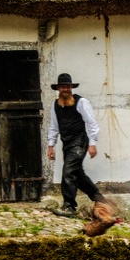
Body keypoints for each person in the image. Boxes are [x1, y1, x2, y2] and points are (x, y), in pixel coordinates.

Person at [46, 73, 107, 217]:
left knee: (68, 171)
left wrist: (92, 143)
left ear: (71, 88)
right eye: (62, 87)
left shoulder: (81, 102)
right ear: (58, 88)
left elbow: (92, 124)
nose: (65, 89)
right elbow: (54, 127)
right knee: (77, 175)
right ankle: (101, 200)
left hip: (79, 142)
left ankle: (69, 206)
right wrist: (51, 146)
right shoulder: (55, 105)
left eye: (67, 86)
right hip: (66, 143)